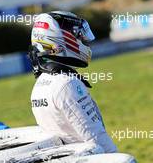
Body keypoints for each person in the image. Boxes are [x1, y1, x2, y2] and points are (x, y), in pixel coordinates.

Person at [28, 11, 117, 153]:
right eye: (78, 36)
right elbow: (96, 137)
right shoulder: (67, 85)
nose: (83, 41)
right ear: (60, 38)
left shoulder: (39, 85)